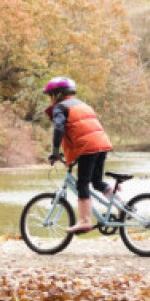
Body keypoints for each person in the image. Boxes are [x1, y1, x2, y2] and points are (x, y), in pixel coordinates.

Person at [43, 76, 114, 234]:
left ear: (57, 94)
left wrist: (55, 151)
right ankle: (123, 207)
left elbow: (59, 128)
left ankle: (84, 221)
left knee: (82, 184)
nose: (50, 100)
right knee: (97, 182)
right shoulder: (83, 105)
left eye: (50, 95)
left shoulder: (60, 107)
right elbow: (83, 130)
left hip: (88, 147)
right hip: (101, 144)